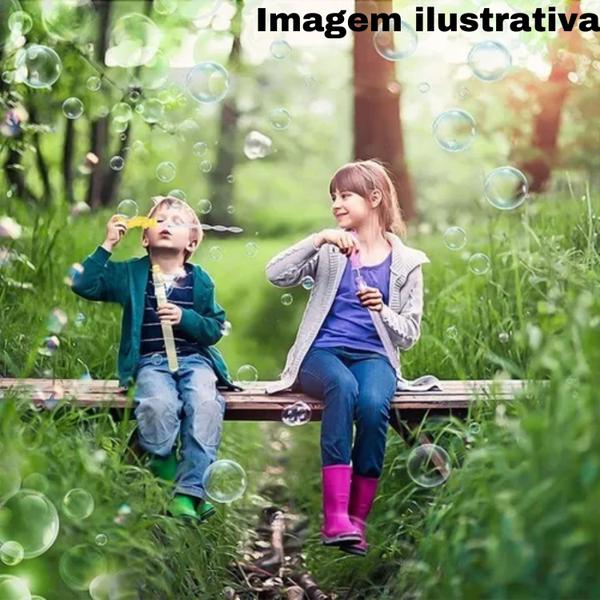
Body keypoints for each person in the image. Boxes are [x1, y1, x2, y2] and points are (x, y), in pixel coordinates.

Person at [265, 160, 430, 555]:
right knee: (343, 387)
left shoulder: (407, 263)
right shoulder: (331, 251)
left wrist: (383, 310)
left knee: (373, 404)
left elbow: (408, 335)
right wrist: (318, 239)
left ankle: (356, 523)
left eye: (345, 195)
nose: (337, 204)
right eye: (333, 198)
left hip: (375, 356)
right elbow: (276, 273)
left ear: (374, 198)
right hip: (320, 354)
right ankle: (334, 517)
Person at [72, 196, 233, 522]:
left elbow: (215, 328)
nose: (166, 225)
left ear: (192, 240)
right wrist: (107, 245)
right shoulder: (131, 274)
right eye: (159, 220)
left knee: (205, 404)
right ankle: (166, 467)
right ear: (144, 237)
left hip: (194, 361)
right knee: (158, 405)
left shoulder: (200, 280)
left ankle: (188, 494)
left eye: (176, 221)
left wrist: (184, 318)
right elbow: (83, 284)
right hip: (151, 363)